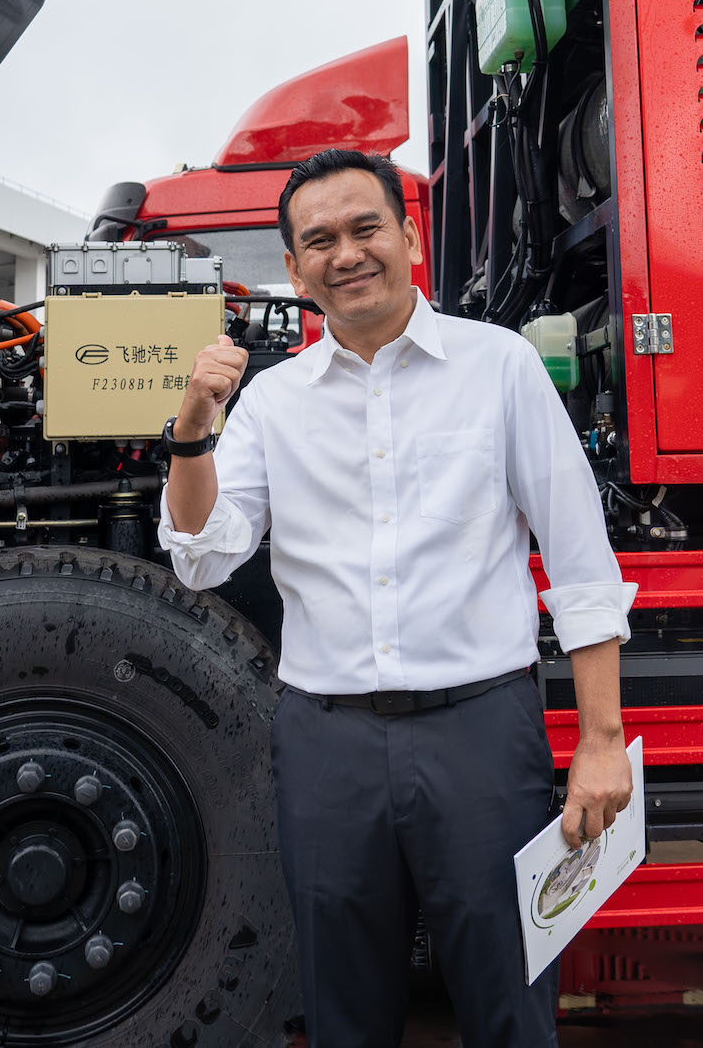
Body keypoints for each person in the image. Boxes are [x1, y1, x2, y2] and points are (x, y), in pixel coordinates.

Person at [158, 146, 635, 1048]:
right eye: (320, 240)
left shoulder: (498, 368)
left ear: (409, 234)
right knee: (345, 1011)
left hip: (482, 738)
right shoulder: (270, 403)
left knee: (510, 1000)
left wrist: (600, 742)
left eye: (365, 226)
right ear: (294, 268)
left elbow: (579, 560)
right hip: (327, 743)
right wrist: (192, 430)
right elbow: (201, 556)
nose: (348, 253)